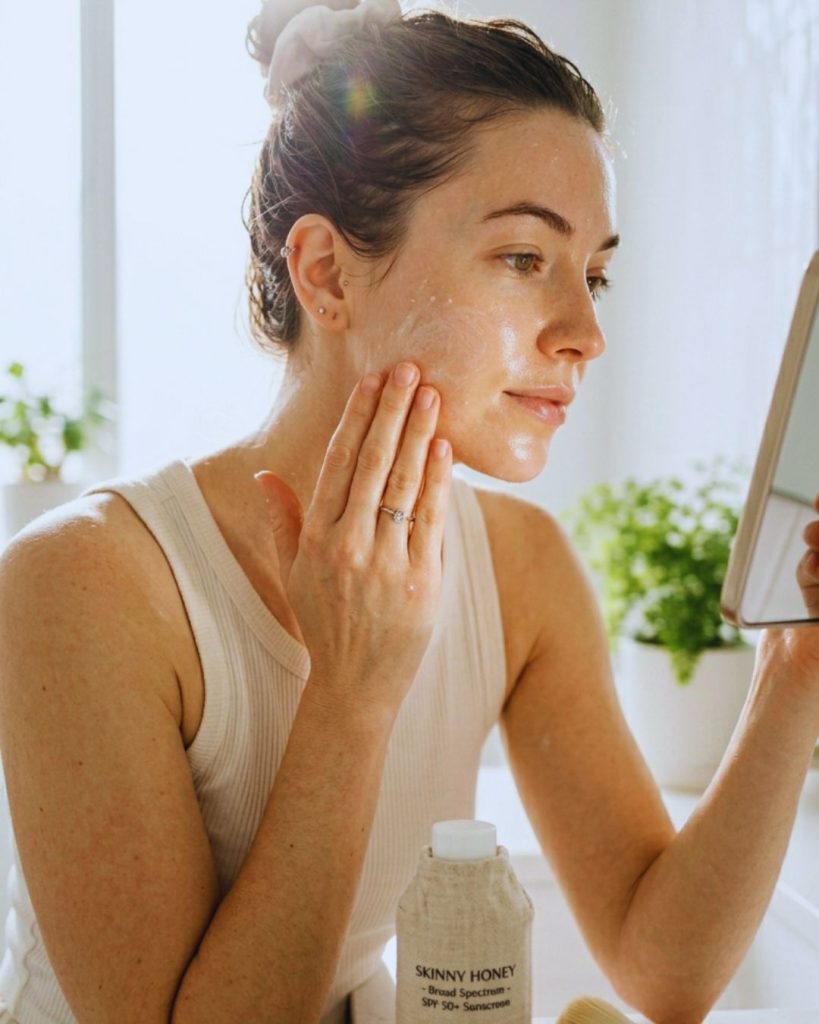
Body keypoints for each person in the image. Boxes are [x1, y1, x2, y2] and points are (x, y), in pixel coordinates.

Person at [0, 0, 818, 1021]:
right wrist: (350, 691)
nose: (585, 333)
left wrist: (795, 669)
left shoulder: (520, 569)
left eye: (595, 273)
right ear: (327, 273)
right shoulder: (86, 582)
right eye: (526, 258)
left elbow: (666, 966)